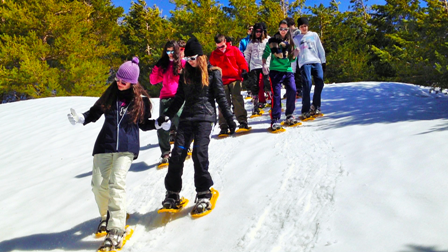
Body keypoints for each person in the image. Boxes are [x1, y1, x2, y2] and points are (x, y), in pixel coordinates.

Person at [67, 57, 170, 251]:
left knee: (116, 183)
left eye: (124, 81)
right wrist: (81, 119)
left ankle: (116, 229)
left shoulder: (141, 101)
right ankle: (107, 216)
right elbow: (94, 112)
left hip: (126, 147)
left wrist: (158, 123)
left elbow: (144, 124)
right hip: (104, 145)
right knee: (98, 185)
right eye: (118, 79)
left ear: (133, 82)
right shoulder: (111, 94)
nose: (119, 83)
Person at [157, 37, 236, 214]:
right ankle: (172, 194)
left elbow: (221, 99)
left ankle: (203, 192)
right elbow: (178, 99)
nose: (190, 61)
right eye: (188, 59)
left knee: (199, 154)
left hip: (205, 119)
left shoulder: (213, 73)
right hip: (187, 119)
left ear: (200, 57)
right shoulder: (185, 73)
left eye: (193, 58)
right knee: (177, 155)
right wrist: (166, 116)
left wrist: (230, 119)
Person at [150, 40, 186, 167]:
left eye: (172, 51)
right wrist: (156, 67)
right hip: (165, 97)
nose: (170, 53)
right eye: (168, 51)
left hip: (178, 97)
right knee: (162, 124)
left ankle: (185, 147)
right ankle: (165, 153)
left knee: (180, 121)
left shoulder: (182, 64)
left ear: (177, 51)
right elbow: (153, 81)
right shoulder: (164, 65)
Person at [210, 34, 250, 134]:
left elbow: (242, 62)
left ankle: (242, 121)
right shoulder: (214, 54)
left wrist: (244, 70)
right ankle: (224, 125)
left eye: (222, 46)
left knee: (237, 99)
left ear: (225, 43)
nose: (221, 49)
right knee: (223, 102)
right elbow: (211, 68)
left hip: (235, 78)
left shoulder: (234, 50)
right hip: (222, 81)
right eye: (218, 47)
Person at [262, 20, 298, 131]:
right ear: (278, 29)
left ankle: (289, 114)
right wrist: (264, 64)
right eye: (281, 28)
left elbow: (292, 57)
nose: (283, 31)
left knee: (292, 90)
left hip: (287, 70)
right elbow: (265, 54)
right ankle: (275, 119)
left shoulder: (291, 41)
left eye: (285, 29)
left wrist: (295, 55)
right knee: (276, 94)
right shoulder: (272, 41)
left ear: (288, 30)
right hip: (275, 71)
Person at [293, 17, 326, 119]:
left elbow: (320, 48)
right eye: (302, 26)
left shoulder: (314, 35)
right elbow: (294, 55)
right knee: (307, 84)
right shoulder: (296, 38)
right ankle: (305, 109)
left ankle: (315, 105)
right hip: (304, 63)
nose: (304, 28)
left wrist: (323, 62)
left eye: (306, 26)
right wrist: (293, 69)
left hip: (316, 61)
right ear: (299, 27)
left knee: (320, 81)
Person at [244, 22, 271, 116]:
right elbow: (247, 54)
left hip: (265, 64)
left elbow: (272, 51)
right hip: (254, 65)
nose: (258, 33)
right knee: (254, 85)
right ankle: (255, 106)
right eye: (256, 31)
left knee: (268, 82)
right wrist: (245, 65)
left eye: (260, 31)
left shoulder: (268, 40)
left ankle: (273, 103)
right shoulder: (251, 42)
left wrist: (271, 63)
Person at [285, 17, 303, 98]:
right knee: (291, 71)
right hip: (291, 54)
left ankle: (299, 89)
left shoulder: (298, 32)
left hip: (299, 54)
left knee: (298, 72)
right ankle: (291, 89)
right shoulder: (288, 33)